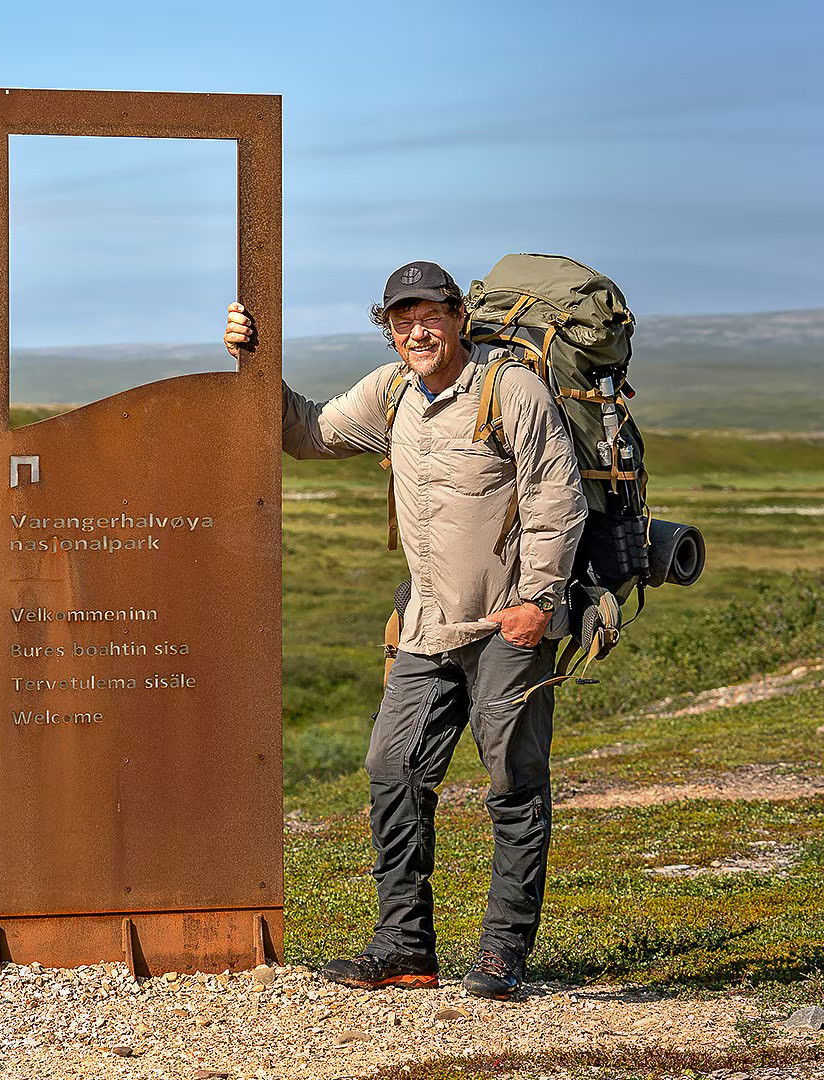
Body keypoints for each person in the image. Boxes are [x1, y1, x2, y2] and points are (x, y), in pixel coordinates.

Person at [224, 262, 586, 1000]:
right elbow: (303, 431)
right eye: (401, 320)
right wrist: (252, 359)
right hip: (426, 627)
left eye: (430, 316)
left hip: (506, 625)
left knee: (512, 784)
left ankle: (501, 952)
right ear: (388, 329)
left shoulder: (507, 389)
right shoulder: (392, 392)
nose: (417, 331)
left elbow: (557, 494)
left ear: (458, 317)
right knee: (393, 770)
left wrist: (538, 602)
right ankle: (405, 948)